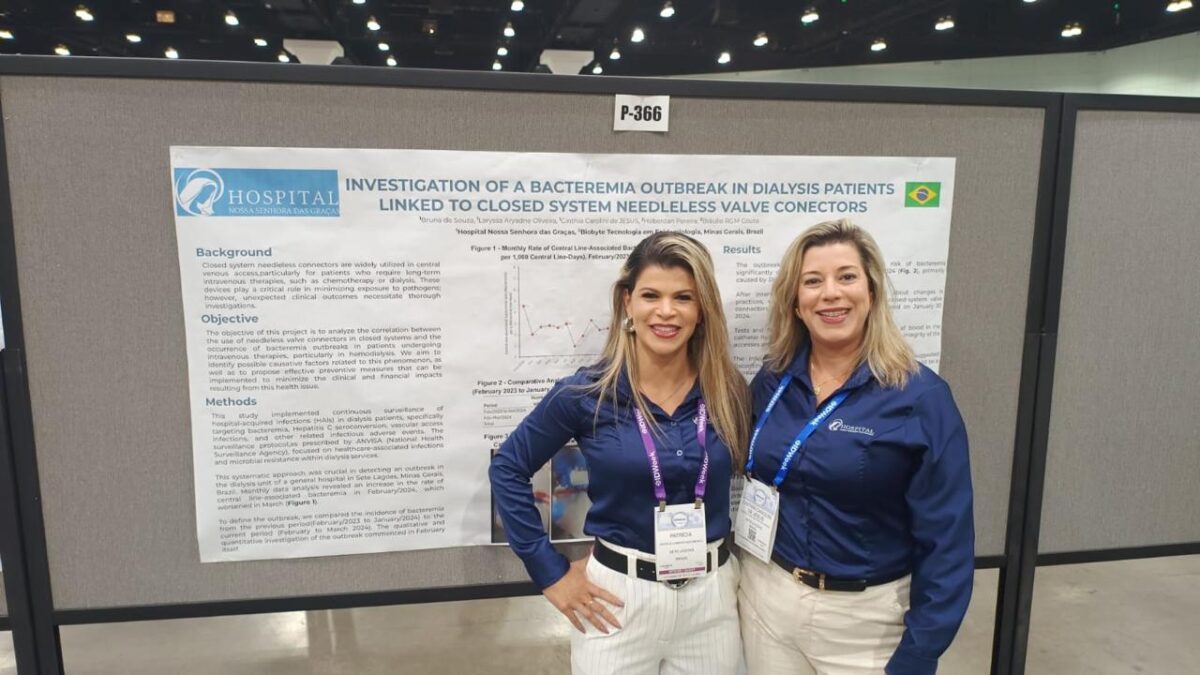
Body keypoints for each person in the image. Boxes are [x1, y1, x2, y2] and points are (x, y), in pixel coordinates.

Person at [490, 231, 750, 675]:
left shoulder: (728, 391)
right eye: (651, 295)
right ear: (628, 302)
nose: (666, 311)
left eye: (683, 297)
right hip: (616, 600)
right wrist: (549, 572)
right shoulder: (586, 393)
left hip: (712, 599)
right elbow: (508, 468)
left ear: (702, 309)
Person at [736, 219, 973, 675]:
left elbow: (948, 539)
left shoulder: (920, 398)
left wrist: (922, 650)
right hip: (768, 600)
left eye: (846, 276)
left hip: (866, 625)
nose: (830, 293)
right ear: (796, 302)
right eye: (812, 281)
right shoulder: (773, 381)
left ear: (872, 291)